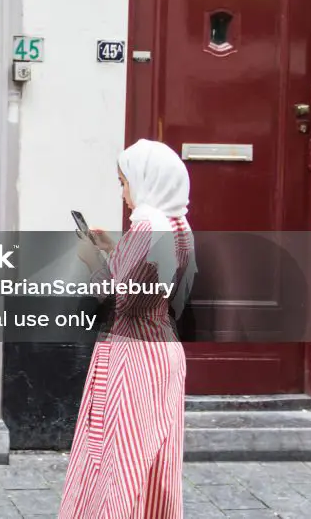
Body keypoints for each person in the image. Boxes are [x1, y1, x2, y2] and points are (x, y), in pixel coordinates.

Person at [60, 139, 197, 519]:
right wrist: (114, 248)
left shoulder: (148, 228)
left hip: (131, 360)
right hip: (162, 353)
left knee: (117, 466)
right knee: (152, 467)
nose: (123, 193)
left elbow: (120, 300)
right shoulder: (178, 223)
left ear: (146, 180)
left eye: (124, 182)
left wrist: (92, 261)